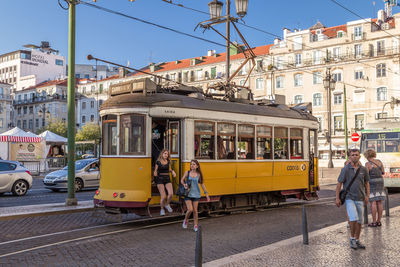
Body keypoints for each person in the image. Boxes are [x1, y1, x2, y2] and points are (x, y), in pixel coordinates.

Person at [336, 148, 370, 250]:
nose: (354, 156)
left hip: (360, 198)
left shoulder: (363, 169)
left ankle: (357, 240)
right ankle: (352, 238)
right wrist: (337, 198)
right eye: (352, 155)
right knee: (353, 218)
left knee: (360, 221)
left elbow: (367, 184)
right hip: (349, 198)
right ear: (349, 157)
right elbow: (339, 184)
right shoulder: (345, 169)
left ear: (359, 156)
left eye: (356, 155)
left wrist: (367, 196)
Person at [181, 160, 210, 232]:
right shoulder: (187, 173)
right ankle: (185, 220)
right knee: (190, 209)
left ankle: (195, 225)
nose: (192, 166)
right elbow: (182, 180)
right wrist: (184, 184)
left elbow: (202, 184)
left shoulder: (199, 174)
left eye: (194, 164)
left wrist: (206, 194)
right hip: (188, 194)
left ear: (197, 166)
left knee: (195, 211)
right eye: (191, 164)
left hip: (196, 194)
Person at [364, 149, 385, 227]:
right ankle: (379, 221)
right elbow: (383, 172)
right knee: (379, 202)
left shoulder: (367, 164)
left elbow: (366, 175)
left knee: (373, 202)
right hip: (380, 181)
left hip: (372, 182)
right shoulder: (379, 162)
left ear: (367, 155)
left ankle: (374, 221)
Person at [153, 149, 176, 216]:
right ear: (162, 154)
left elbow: (169, 169)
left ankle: (167, 204)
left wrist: (173, 172)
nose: (166, 155)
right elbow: (155, 171)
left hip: (167, 179)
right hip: (160, 179)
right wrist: (155, 173)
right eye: (165, 153)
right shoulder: (158, 162)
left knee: (171, 194)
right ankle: (162, 209)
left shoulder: (168, 161)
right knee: (163, 196)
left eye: (167, 154)